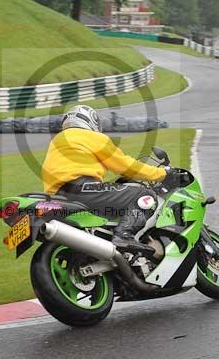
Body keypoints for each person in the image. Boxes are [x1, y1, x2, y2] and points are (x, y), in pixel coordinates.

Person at [41, 105, 188, 253]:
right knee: (145, 196)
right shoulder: (91, 137)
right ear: (90, 121)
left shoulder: (56, 142)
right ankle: (124, 235)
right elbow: (126, 166)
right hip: (84, 190)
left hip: (58, 196)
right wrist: (161, 173)